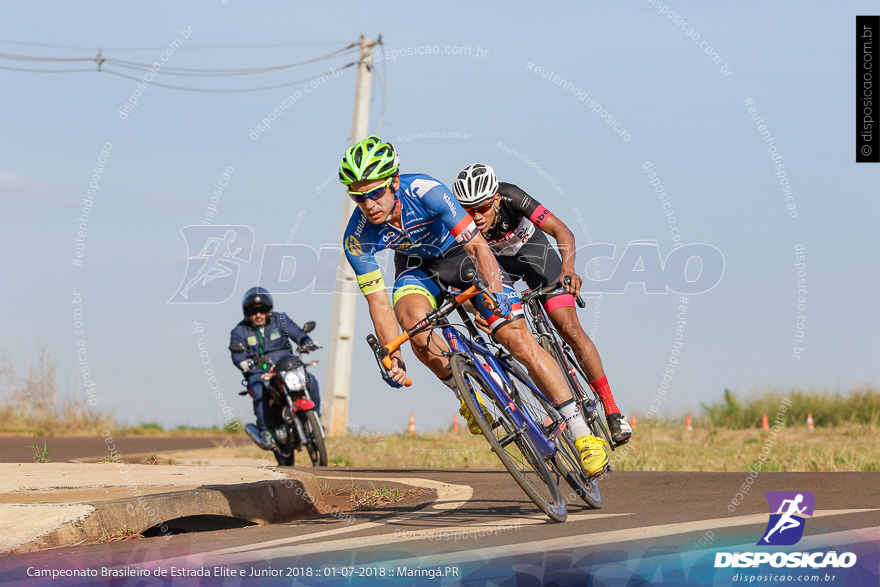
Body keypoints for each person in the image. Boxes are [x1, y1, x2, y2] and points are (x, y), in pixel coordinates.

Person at [339, 136, 609, 476]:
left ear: (394, 181)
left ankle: (582, 434)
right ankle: (464, 393)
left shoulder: (427, 192)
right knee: (413, 324)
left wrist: (496, 295)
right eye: (358, 196)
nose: (368, 203)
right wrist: (394, 352)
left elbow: (480, 249)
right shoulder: (356, 238)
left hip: (458, 254)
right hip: (415, 267)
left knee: (516, 338)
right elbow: (378, 302)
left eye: (375, 192)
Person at [452, 163, 632, 445]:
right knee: (516, 339)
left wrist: (568, 269)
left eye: (483, 207)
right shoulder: (458, 221)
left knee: (568, 325)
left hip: (533, 253)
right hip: (498, 269)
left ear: (496, 199)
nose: (475, 216)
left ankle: (611, 409)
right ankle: (557, 409)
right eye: (468, 209)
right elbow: (467, 276)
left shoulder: (511, 195)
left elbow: (563, 232)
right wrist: (479, 310)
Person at [229, 286, 320, 449]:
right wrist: (243, 362)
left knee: (311, 380)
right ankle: (266, 432)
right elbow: (237, 354)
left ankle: (315, 418)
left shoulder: (281, 320)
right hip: (259, 373)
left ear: (269, 310)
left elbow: (298, 334)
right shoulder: (239, 331)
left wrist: (308, 342)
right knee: (259, 391)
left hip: (286, 367)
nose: (258, 315)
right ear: (247, 313)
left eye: (262, 311)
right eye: (254, 312)